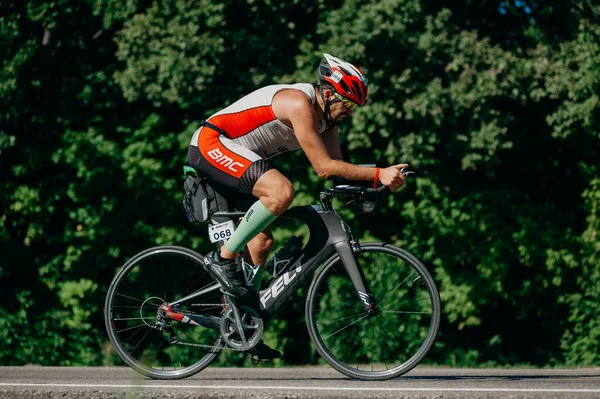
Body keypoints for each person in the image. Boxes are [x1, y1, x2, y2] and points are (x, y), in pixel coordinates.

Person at [187, 53, 407, 360]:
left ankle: (243, 321)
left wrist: (376, 184)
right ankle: (222, 258)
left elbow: (339, 169)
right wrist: (377, 172)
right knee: (282, 190)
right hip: (212, 144)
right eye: (349, 104)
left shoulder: (328, 122)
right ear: (328, 94)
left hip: (241, 161)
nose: (351, 112)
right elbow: (324, 167)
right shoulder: (299, 103)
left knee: (261, 243)